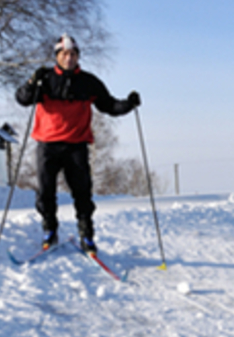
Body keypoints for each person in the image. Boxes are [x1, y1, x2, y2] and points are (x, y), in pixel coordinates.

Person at [14, 34, 141, 255]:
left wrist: (128, 104)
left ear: (78, 56)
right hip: (48, 144)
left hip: (76, 146)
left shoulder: (89, 82)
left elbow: (108, 105)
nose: (69, 58)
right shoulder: (45, 79)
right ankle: (50, 231)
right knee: (46, 192)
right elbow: (23, 99)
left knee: (82, 193)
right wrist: (32, 82)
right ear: (57, 57)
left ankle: (86, 235)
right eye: (64, 54)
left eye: (73, 54)